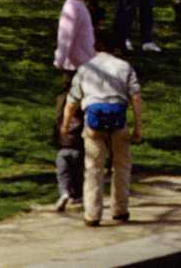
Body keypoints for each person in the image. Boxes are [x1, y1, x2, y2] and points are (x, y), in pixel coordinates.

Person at [61, 44, 142, 227]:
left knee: (93, 168)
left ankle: (92, 214)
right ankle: (120, 210)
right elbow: (136, 98)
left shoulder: (85, 68)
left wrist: (65, 126)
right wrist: (138, 127)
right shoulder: (125, 66)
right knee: (121, 167)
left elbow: (71, 101)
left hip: (93, 124)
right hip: (119, 123)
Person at [56, 0, 99, 77]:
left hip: (85, 62)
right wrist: (60, 60)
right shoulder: (72, 8)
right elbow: (65, 36)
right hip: (75, 66)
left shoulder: (79, 4)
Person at [52, 87, 85, 214]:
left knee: (63, 174)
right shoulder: (81, 121)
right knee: (77, 174)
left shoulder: (61, 122)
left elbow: (55, 135)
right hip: (78, 150)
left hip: (62, 150)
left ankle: (64, 193)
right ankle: (77, 196)